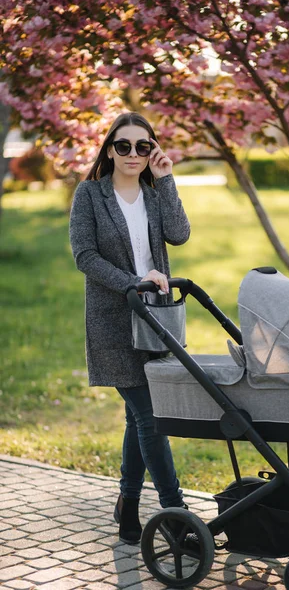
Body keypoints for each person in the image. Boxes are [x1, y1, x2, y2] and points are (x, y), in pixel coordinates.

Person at [69, 112, 190, 545]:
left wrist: (169, 178)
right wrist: (132, 283)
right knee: (150, 418)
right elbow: (84, 256)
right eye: (124, 146)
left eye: (143, 146)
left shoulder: (155, 196)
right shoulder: (90, 195)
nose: (133, 154)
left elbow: (179, 234)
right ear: (109, 149)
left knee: (137, 420)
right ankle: (175, 512)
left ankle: (128, 506)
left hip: (155, 320)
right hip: (114, 321)